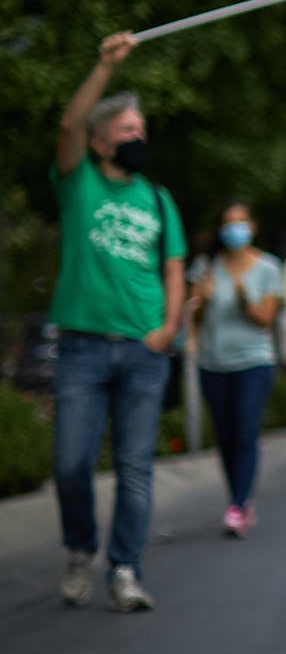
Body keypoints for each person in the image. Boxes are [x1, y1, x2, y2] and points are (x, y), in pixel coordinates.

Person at [50, 32, 186, 611]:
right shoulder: (78, 183)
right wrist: (104, 66)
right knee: (71, 463)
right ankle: (82, 548)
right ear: (101, 142)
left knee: (135, 469)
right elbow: (66, 127)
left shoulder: (157, 199)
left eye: (141, 130)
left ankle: (125, 569)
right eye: (126, 130)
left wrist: (168, 328)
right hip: (82, 348)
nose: (137, 138)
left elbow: (174, 268)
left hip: (142, 350)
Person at [188, 202, 283, 535]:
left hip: (253, 361)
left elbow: (266, 320)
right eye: (228, 223)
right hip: (213, 361)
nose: (234, 230)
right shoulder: (206, 267)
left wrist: (245, 302)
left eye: (240, 223)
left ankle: (240, 505)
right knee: (225, 436)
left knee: (245, 432)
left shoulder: (268, 267)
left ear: (253, 226)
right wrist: (203, 301)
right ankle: (237, 498)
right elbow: (196, 320)